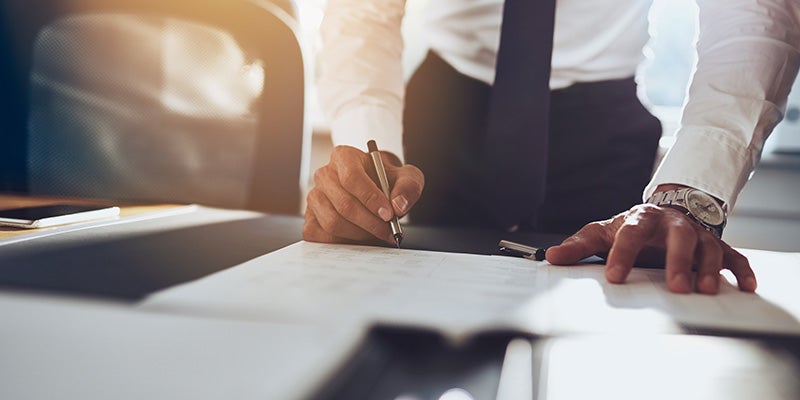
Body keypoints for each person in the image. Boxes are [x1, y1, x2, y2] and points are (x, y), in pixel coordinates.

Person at [303, 0, 800, 295]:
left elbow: (755, 16)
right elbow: (363, 13)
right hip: (444, 115)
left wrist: (690, 192)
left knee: (604, 323)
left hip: (603, 128)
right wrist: (371, 154)